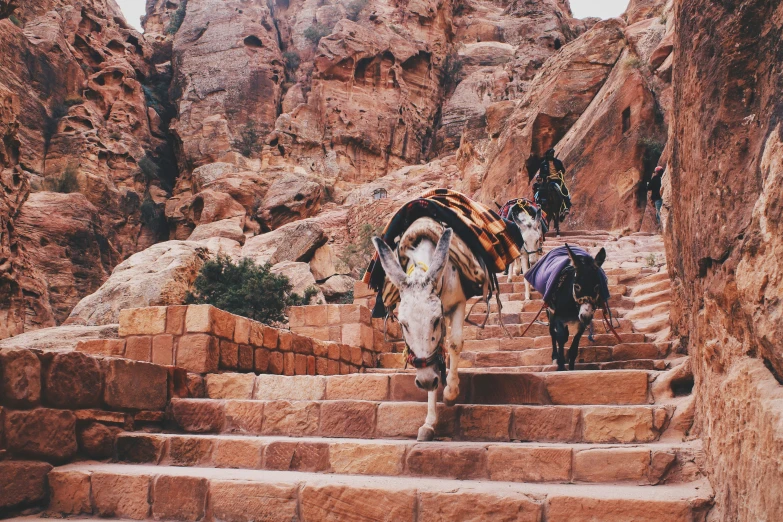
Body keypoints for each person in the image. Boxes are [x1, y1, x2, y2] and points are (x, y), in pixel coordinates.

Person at [533, 148, 572, 218]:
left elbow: (563, 170)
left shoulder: (558, 162)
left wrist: (561, 171)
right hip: (548, 180)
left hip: (558, 180)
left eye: (552, 154)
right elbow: (541, 174)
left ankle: (566, 207)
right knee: (541, 190)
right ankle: (539, 204)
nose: (552, 155)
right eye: (550, 154)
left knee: (564, 191)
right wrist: (546, 176)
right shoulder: (543, 164)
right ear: (547, 155)